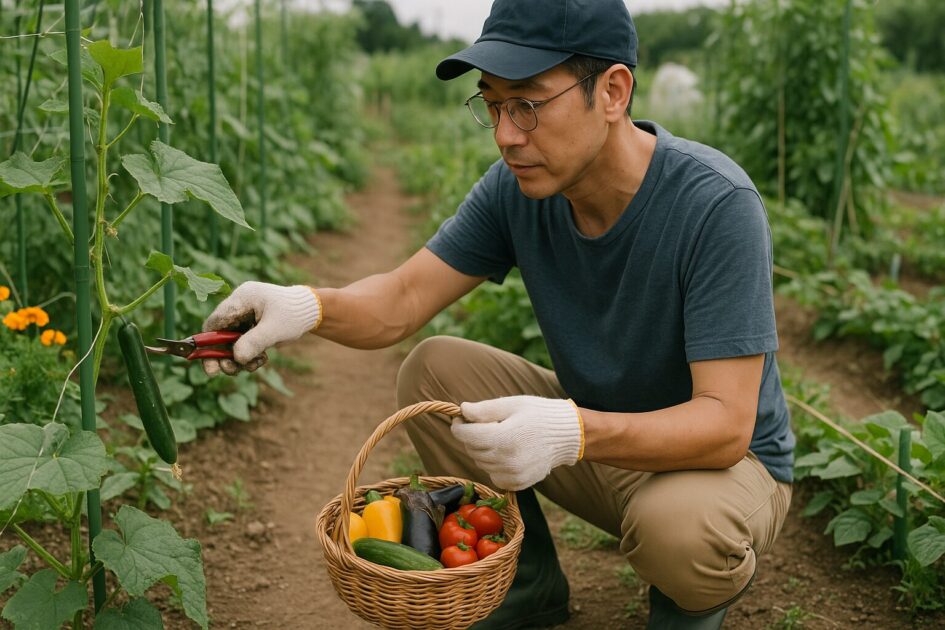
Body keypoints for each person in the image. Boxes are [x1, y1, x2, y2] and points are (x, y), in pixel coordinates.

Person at [202, 1, 795, 628]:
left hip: (721, 466)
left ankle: (687, 603)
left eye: (529, 105)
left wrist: (571, 431)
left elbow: (726, 425)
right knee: (434, 369)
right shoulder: (517, 188)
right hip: (612, 449)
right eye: (493, 104)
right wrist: (305, 306)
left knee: (677, 532)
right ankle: (527, 585)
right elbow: (402, 299)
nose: (506, 133)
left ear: (614, 91)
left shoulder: (714, 205)